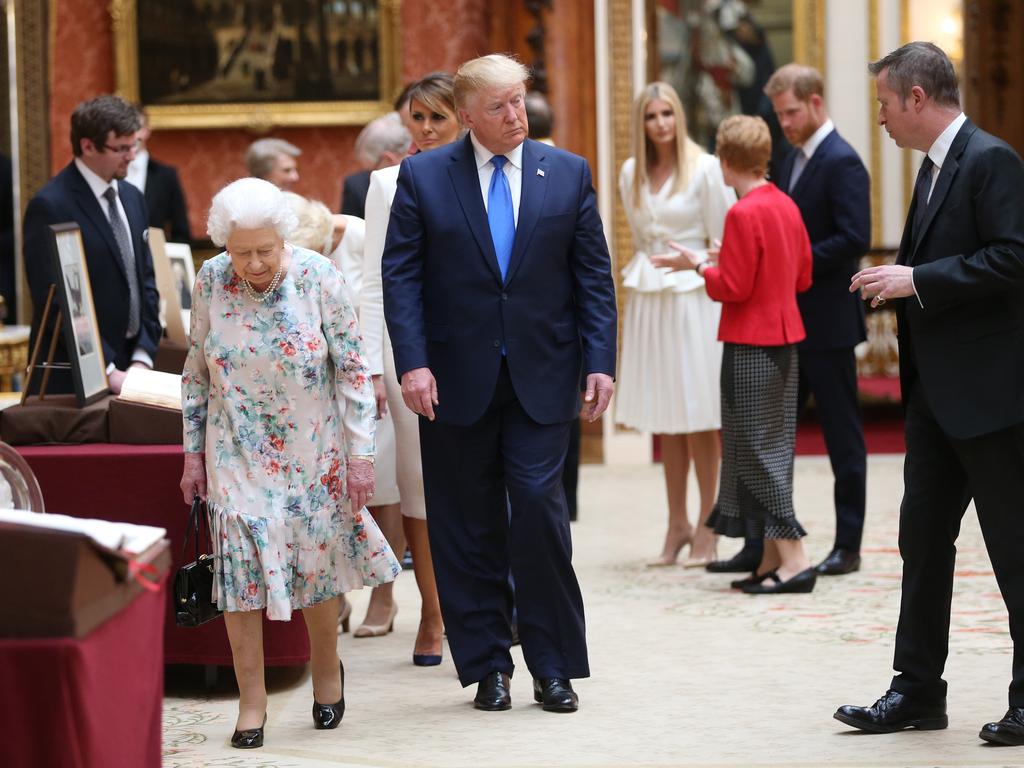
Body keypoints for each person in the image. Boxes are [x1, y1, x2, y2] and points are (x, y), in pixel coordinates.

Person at [382, 54, 617, 712]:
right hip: (453, 379)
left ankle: (551, 663)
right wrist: (413, 360)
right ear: (466, 117)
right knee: (467, 523)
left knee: (540, 514)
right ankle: (487, 664)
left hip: (545, 374)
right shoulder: (424, 177)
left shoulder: (566, 173)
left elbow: (593, 277)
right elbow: (400, 278)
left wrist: (601, 360)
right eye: (499, 107)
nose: (517, 115)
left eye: (519, 101)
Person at [837, 42, 1024, 747]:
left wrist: (919, 279)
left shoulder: (990, 160)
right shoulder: (935, 166)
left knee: (1015, 549)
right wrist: (903, 275)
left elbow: (1015, 257)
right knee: (922, 541)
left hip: (992, 395)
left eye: (885, 103)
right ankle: (916, 690)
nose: (881, 117)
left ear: (917, 99)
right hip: (937, 397)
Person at [179, 177, 400, 749]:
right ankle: (252, 700)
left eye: (264, 250)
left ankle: (325, 666)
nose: (252, 263)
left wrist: (359, 457)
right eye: (240, 251)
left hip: (314, 448)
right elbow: (196, 376)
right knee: (240, 575)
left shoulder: (317, 276)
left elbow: (353, 373)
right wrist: (192, 457)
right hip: (236, 450)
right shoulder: (209, 281)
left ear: (284, 238)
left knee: (316, 566)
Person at [652, 114, 815, 594]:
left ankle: (794, 559)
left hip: (750, 345)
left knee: (756, 451)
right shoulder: (784, 203)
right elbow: (801, 276)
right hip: (786, 340)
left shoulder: (743, 212)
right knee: (770, 449)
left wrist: (701, 262)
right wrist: (728, 258)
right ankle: (768, 558)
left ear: (725, 161)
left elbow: (732, 288)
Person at [361, 73, 460, 665]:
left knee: (481, 479)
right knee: (417, 487)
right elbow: (374, 280)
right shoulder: (385, 183)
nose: (423, 130)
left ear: (463, 119)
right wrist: (374, 366)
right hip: (408, 351)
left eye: (437, 117)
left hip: (475, 346)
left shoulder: (487, 172)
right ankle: (432, 609)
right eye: (415, 118)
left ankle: (486, 601)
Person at [615, 81, 734, 567]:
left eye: (667, 114)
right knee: (668, 418)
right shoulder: (630, 173)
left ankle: (709, 523)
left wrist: (693, 264)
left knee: (699, 416)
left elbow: (727, 240)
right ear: (640, 123)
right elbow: (639, 236)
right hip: (650, 300)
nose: (660, 123)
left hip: (693, 302)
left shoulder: (704, 168)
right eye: (651, 116)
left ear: (678, 117)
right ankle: (676, 523)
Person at [764, 63, 870, 578]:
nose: (783, 123)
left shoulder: (842, 160)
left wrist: (794, 259)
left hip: (828, 321)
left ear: (815, 104)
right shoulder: (790, 160)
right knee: (775, 435)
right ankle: (769, 543)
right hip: (789, 319)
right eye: (779, 114)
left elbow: (854, 237)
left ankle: (847, 545)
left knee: (840, 437)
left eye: (790, 112)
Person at [284, 190, 401, 638]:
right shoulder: (295, 242)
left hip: (372, 376)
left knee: (383, 488)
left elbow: (384, 306)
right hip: (317, 386)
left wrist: (372, 373)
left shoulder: (360, 237)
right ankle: (334, 595)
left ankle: (384, 595)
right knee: (330, 495)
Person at [23, 94, 160, 395]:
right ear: (87, 146)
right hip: (74, 382)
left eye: (134, 144)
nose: (132, 156)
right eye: (121, 148)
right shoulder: (50, 205)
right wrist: (107, 369)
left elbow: (146, 281)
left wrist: (142, 358)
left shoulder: (132, 197)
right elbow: (57, 302)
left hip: (133, 370)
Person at [126, 105, 191, 243]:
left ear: (146, 131)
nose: (131, 134)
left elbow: (181, 231)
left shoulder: (166, 176)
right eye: (125, 128)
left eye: (136, 127)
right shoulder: (108, 173)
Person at [341, 111, 413, 217]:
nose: (368, 176)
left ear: (389, 159)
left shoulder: (427, 181)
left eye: (371, 170)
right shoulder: (356, 186)